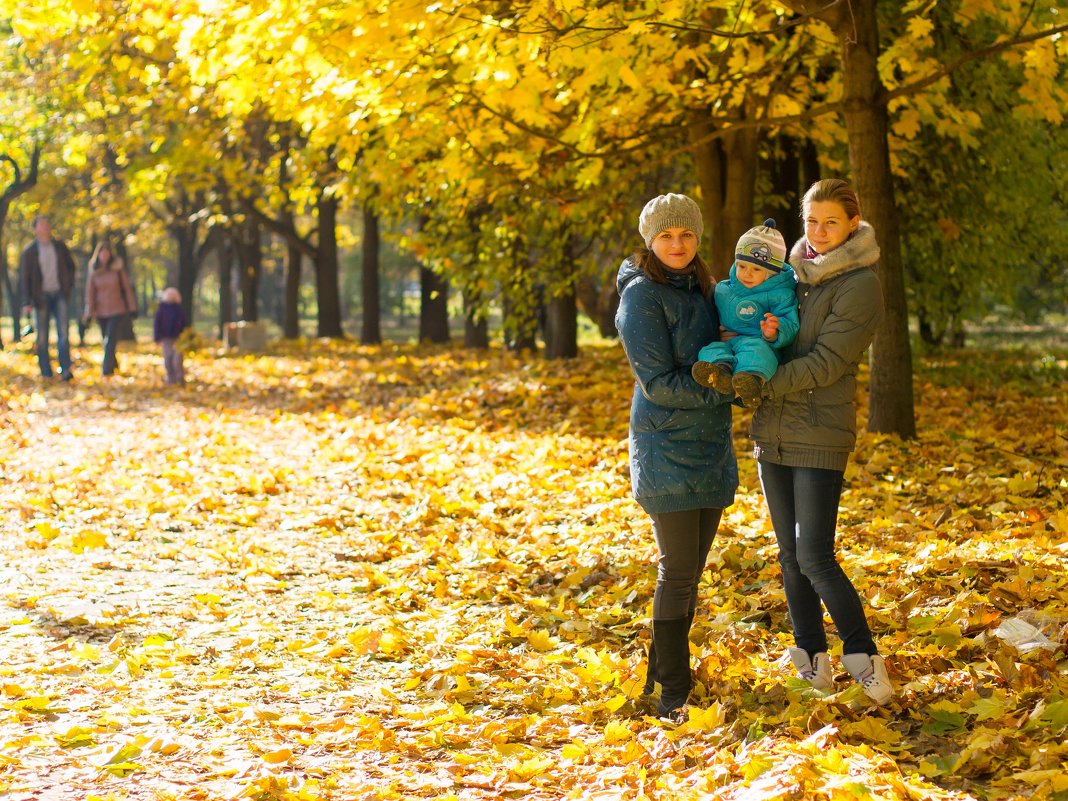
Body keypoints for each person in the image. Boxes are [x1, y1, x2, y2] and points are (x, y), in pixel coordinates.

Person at [750, 178, 893, 705]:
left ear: (853, 223)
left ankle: (865, 659)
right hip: (773, 430)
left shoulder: (860, 284)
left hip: (820, 432)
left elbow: (829, 363)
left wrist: (762, 380)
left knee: (814, 555)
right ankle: (812, 663)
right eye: (811, 221)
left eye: (830, 221)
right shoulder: (791, 277)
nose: (818, 231)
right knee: (788, 556)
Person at [615, 193, 738, 721]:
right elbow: (659, 382)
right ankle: (673, 693)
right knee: (678, 572)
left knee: (689, 572)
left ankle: (657, 679)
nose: (677, 244)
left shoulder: (707, 288)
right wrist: (728, 391)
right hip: (666, 443)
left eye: (685, 234)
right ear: (650, 241)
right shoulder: (641, 297)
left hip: (710, 444)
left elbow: (733, 341)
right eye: (666, 236)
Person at [691, 219, 799, 407]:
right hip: (728, 341)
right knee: (710, 349)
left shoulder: (780, 294)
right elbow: (713, 301)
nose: (746, 274)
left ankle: (749, 380)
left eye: (756, 269)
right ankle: (719, 373)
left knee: (756, 353)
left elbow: (791, 322)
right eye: (742, 266)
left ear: (771, 273)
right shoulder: (726, 289)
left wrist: (775, 331)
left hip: (758, 341)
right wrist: (708, 289)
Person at [19, 214, 78, 380]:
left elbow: (71, 267)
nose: (46, 226)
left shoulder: (59, 246)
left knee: (63, 333)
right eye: (42, 224)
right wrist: (27, 302)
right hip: (40, 296)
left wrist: (68, 286)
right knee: (42, 336)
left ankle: (65, 369)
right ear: (35, 229)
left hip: (59, 293)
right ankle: (45, 372)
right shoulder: (30, 251)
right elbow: (25, 278)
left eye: (47, 223)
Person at [83, 240, 137, 377]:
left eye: (107, 252)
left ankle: (106, 371)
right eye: (102, 252)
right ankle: (114, 365)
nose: (105, 255)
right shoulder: (94, 271)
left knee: (110, 339)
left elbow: (127, 289)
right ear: (98, 254)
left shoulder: (117, 269)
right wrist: (89, 313)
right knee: (107, 341)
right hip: (101, 311)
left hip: (117, 309)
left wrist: (132, 308)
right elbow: (90, 293)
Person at [153, 287, 187, 385]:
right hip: (166, 338)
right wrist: (157, 337)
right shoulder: (161, 309)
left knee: (177, 360)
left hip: (178, 339)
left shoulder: (179, 309)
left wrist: (186, 336)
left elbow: (184, 323)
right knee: (168, 359)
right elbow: (157, 324)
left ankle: (179, 378)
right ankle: (170, 379)